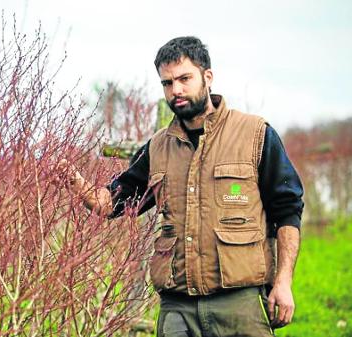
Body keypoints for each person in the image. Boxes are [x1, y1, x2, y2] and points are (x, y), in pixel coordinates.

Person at [59, 36, 303, 336]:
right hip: (178, 308)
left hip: (239, 303)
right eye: (167, 83)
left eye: (184, 78)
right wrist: (76, 183)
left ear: (208, 77)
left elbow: (288, 210)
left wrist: (283, 282)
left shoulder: (255, 135)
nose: (176, 90)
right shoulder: (158, 147)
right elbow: (110, 203)